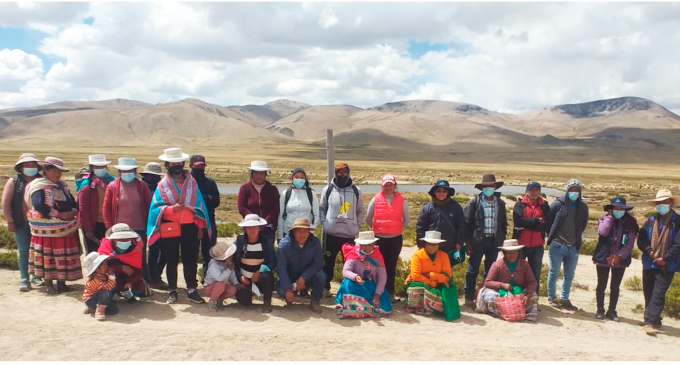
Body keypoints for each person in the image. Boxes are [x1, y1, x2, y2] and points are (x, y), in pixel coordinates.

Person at [147, 148, 211, 305]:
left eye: (178, 162)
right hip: (170, 226)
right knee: (171, 259)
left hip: (190, 226)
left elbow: (199, 205)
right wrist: (171, 209)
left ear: (183, 163)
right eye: (172, 162)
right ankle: (173, 290)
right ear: (167, 164)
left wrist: (201, 226)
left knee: (190, 259)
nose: (175, 165)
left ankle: (191, 290)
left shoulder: (192, 183)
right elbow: (155, 208)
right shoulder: (162, 185)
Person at [25, 157, 82, 294]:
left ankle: (61, 283)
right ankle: (48, 284)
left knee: (63, 256)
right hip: (46, 230)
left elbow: (73, 202)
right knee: (48, 256)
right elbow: (38, 205)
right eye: (55, 171)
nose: (58, 174)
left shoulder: (62, 186)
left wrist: (73, 211)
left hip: (64, 229)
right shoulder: (39, 186)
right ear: (46, 170)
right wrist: (60, 214)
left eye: (60, 172)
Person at [637, 189, 680, 335]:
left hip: (667, 265)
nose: (661, 205)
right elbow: (641, 239)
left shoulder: (677, 222)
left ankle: (649, 321)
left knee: (658, 293)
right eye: (659, 203)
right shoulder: (650, 221)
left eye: (664, 202)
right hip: (649, 262)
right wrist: (649, 251)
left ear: (671, 203)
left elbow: (678, 244)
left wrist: (665, 258)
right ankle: (655, 319)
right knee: (648, 291)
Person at [102, 157, 153, 282]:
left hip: (139, 229)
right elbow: (106, 208)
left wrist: (150, 227)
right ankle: (121, 281)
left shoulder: (142, 186)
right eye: (124, 171)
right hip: (119, 231)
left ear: (135, 171)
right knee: (120, 256)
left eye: (130, 170)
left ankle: (141, 282)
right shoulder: (113, 186)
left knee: (139, 256)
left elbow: (149, 205)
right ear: (119, 172)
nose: (127, 173)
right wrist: (110, 228)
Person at [463, 173, 508, 308]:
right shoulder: (474, 202)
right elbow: (466, 224)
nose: (489, 188)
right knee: (472, 269)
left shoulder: (500, 203)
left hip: (494, 242)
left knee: (490, 271)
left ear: (495, 187)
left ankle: (484, 295)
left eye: (491, 186)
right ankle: (469, 296)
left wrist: (502, 240)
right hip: (478, 241)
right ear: (482, 188)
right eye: (486, 186)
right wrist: (468, 243)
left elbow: (503, 224)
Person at [320, 163, 364, 296]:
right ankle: (325, 288)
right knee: (327, 263)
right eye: (339, 172)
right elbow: (322, 208)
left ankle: (347, 289)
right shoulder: (327, 189)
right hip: (331, 233)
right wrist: (324, 223)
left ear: (348, 173)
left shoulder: (357, 190)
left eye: (344, 172)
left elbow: (360, 210)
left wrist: (357, 227)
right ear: (335, 173)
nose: (342, 175)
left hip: (348, 235)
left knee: (349, 264)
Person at [2, 153, 43, 291]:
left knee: (38, 251)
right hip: (21, 222)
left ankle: (37, 277)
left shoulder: (41, 180)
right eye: (27, 165)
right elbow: (6, 203)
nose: (31, 167)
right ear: (21, 167)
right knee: (24, 250)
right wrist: (10, 221)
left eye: (33, 164)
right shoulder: (14, 181)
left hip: (40, 224)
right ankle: (24, 279)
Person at [546, 178, 589, 311]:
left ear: (580, 192)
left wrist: (575, 239)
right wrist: (553, 237)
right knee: (554, 272)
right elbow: (549, 221)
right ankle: (551, 297)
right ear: (567, 190)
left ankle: (564, 299)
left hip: (573, 246)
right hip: (557, 245)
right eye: (571, 190)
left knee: (569, 275)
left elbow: (583, 225)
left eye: (576, 190)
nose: (574, 192)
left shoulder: (582, 207)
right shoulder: (558, 204)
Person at [594, 196, 639, 321]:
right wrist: (609, 218)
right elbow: (603, 232)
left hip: (621, 259)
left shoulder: (630, 223)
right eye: (616, 208)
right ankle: (600, 309)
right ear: (611, 209)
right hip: (603, 257)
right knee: (601, 284)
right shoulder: (603, 219)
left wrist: (619, 255)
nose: (618, 211)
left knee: (615, 286)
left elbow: (630, 242)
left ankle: (612, 310)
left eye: (621, 209)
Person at [365, 174, 409, 300]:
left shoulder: (402, 200)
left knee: (391, 265)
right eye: (386, 185)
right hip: (379, 239)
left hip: (395, 239)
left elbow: (406, 220)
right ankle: (376, 291)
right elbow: (368, 219)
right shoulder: (375, 199)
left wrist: (396, 229)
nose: (388, 187)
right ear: (382, 186)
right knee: (377, 266)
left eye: (390, 184)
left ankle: (390, 292)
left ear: (395, 185)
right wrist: (378, 229)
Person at [475, 239, 539, 322]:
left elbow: (532, 282)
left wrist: (528, 295)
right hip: (500, 292)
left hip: (519, 292)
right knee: (489, 296)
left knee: (533, 295)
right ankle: (503, 312)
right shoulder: (497, 265)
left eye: (514, 252)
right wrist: (502, 285)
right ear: (504, 253)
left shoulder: (524, 265)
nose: (511, 255)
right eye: (508, 252)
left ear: (518, 253)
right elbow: (488, 282)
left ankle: (522, 313)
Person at [334, 231, 392, 319]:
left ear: (373, 244)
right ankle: (354, 307)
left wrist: (377, 294)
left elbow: (382, 278)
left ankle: (361, 306)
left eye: (369, 244)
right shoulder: (353, 254)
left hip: (371, 285)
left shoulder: (378, 257)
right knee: (347, 283)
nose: (366, 248)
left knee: (385, 307)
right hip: (355, 284)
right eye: (363, 245)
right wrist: (355, 276)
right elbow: (346, 271)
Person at [404, 231, 460, 321]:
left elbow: (447, 275)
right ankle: (418, 307)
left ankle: (428, 308)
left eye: (435, 244)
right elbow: (415, 275)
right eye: (430, 244)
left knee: (443, 301)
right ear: (425, 244)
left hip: (438, 286)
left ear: (438, 245)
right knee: (416, 289)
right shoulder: (417, 255)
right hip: (422, 283)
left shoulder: (444, 256)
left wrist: (431, 275)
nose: (432, 247)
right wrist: (432, 282)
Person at [276, 218, 326, 314]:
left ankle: (315, 301)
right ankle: (290, 296)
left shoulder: (315, 242)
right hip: (290, 277)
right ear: (294, 232)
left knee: (321, 276)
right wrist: (287, 289)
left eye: (305, 231)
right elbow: (281, 268)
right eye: (299, 231)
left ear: (309, 232)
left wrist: (304, 276)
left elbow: (318, 263)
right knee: (282, 291)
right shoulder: (284, 244)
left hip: (308, 277)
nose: (302, 234)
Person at [512, 181, 551, 296]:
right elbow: (518, 221)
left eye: (536, 190)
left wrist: (528, 224)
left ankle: (534, 298)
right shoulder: (519, 205)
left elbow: (547, 224)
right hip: (520, 245)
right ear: (526, 191)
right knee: (518, 272)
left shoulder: (544, 206)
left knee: (535, 273)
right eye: (531, 190)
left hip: (537, 245)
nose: (534, 193)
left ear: (539, 192)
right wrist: (536, 221)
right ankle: (518, 296)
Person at [416, 179, 467, 262]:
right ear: (434, 192)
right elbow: (420, 227)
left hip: (450, 246)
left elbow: (461, 226)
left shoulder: (456, 207)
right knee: (431, 271)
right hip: (431, 246)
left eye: (444, 191)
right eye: (438, 191)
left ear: (448, 193)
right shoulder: (428, 208)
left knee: (447, 271)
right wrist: (421, 245)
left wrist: (459, 242)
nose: (441, 193)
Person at [234, 214, 277, 313]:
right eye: (248, 227)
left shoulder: (266, 242)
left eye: (254, 227)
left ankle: (267, 302)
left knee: (268, 276)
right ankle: (250, 295)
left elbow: (272, 262)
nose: (251, 230)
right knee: (244, 300)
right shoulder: (239, 241)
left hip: (261, 278)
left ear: (259, 228)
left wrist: (259, 272)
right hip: (244, 280)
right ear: (245, 228)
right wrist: (239, 276)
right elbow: (234, 262)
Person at [98, 223, 146, 302]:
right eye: (120, 239)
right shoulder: (105, 247)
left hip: (127, 279)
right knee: (105, 295)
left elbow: (138, 270)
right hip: (110, 278)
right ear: (112, 239)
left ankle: (128, 291)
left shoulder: (136, 248)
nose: (124, 241)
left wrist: (130, 282)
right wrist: (120, 268)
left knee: (139, 289)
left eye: (127, 239)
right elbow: (99, 269)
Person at [190, 155, 220, 278]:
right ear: (191, 166)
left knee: (209, 253)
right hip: (191, 223)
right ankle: (192, 281)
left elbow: (216, 202)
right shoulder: (187, 183)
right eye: (197, 166)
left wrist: (201, 198)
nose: (200, 168)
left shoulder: (210, 182)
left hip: (209, 222)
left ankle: (207, 279)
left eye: (202, 166)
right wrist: (206, 198)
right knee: (192, 253)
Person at [78, 154, 115, 253]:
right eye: (97, 167)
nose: (100, 169)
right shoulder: (87, 185)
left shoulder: (113, 182)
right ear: (92, 168)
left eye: (102, 166)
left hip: (110, 224)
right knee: (94, 254)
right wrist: (88, 230)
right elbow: (83, 209)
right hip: (93, 224)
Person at [140, 161, 167, 288]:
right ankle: (152, 278)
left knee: (164, 252)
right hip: (147, 223)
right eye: (154, 176)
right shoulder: (141, 187)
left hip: (162, 222)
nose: (157, 178)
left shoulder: (160, 187)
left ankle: (156, 275)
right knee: (153, 251)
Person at [278, 167, 319, 240]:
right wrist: (280, 236)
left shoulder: (311, 194)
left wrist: (312, 230)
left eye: (302, 177)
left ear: (305, 179)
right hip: (288, 232)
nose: (299, 179)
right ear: (292, 179)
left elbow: (316, 214)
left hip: (305, 233)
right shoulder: (285, 194)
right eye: (296, 177)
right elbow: (281, 216)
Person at [82, 252, 119, 321]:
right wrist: (111, 276)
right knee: (104, 292)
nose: (106, 266)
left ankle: (93, 309)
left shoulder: (103, 275)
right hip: (90, 300)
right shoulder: (94, 280)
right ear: (96, 269)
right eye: (104, 265)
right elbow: (108, 287)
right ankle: (99, 311)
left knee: (114, 310)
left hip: (98, 299)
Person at [204, 242, 239, 312]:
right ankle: (212, 301)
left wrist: (236, 283)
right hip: (210, 288)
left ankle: (219, 299)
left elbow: (231, 274)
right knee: (220, 285)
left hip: (222, 287)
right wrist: (229, 269)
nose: (231, 257)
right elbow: (219, 278)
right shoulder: (213, 265)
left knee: (233, 289)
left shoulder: (227, 263)